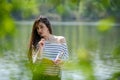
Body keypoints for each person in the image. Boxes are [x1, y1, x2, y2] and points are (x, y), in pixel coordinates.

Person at [28, 16, 69, 80]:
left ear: (47, 27)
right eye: (37, 28)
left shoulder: (61, 40)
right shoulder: (38, 42)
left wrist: (61, 62)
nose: (39, 30)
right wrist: (40, 49)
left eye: (41, 27)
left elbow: (66, 61)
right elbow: (36, 63)